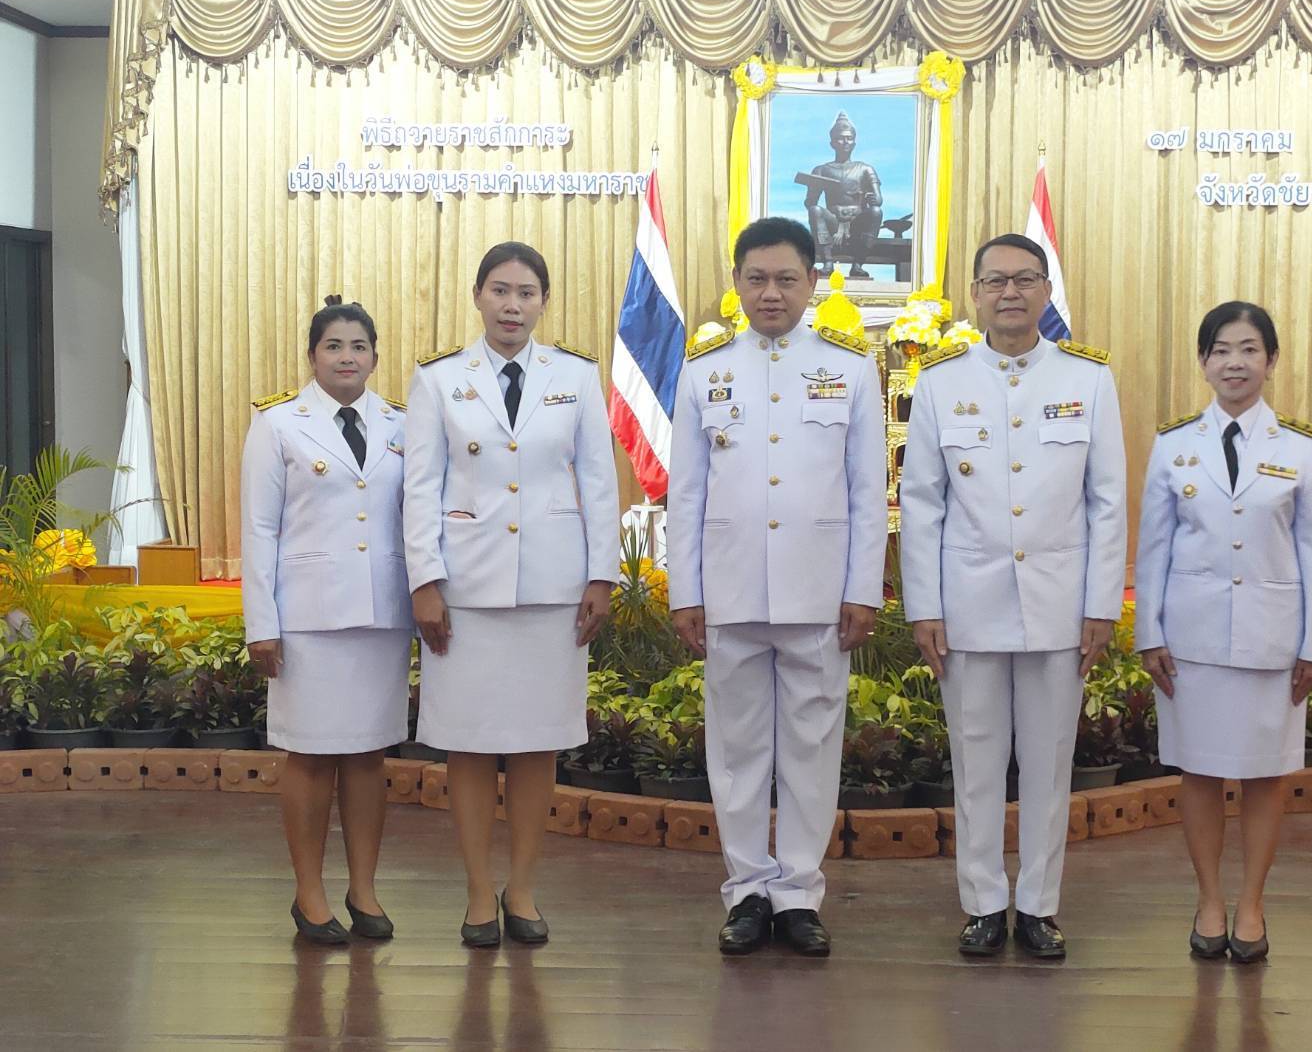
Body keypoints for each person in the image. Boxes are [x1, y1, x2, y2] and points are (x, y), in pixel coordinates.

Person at [900, 234, 1127, 959]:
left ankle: (1037, 905)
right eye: (995, 281)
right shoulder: (941, 382)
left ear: (1045, 291)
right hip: (967, 604)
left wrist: (1101, 604)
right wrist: (924, 606)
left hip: (1059, 604)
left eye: (1025, 279)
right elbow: (922, 502)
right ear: (974, 294)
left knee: (1049, 761)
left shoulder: (1087, 379)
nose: (1009, 293)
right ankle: (982, 903)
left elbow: (1107, 501)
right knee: (975, 760)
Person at [666, 216, 887, 957]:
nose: (771, 292)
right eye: (756, 278)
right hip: (729, 589)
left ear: (812, 283)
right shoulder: (704, 371)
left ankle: (797, 894)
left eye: (786, 279)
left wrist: (863, 589)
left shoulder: (850, 369)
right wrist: (685, 591)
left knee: (811, 749)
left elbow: (867, 490)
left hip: (817, 590)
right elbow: (686, 493)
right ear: (735, 283)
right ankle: (746, 892)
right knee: (735, 752)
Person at [402, 241, 619, 947]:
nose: (512, 305)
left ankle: (521, 889)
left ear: (544, 302)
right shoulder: (439, 378)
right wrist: (424, 581)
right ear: (478, 296)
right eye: (499, 290)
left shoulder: (576, 375)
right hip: (466, 591)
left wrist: (602, 574)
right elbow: (420, 488)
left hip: (554, 589)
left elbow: (598, 480)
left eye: (526, 293)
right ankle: (476, 893)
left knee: (536, 744)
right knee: (466, 747)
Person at [1134, 300, 1312, 964]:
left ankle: (1250, 903)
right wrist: (1148, 633)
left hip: (1272, 639)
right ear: (1202, 362)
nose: (1234, 363)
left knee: (1264, 775)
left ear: (1270, 361)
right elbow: (1153, 547)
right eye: (1220, 350)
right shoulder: (1174, 443)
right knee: (1197, 770)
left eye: (1249, 349)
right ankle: (1209, 901)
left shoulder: (1300, 445)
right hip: (1188, 642)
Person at [241, 296, 413, 945]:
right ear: (312, 356)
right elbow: (259, 529)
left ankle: (363, 888)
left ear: (375, 356)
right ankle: (308, 893)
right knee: (310, 756)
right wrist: (262, 623)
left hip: (380, 613)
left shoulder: (400, 423)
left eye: (358, 346)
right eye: (334, 346)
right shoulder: (279, 424)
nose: (347, 357)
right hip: (307, 619)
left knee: (368, 755)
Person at [800, 111, 883, 278]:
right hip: (833, 221)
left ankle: (858, 264)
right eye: (840, 138)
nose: (845, 142)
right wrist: (812, 189)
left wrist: (873, 199)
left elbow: (878, 200)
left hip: (857, 223)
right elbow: (810, 203)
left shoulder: (865, 169)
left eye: (849, 138)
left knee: (876, 212)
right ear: (832, 143)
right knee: (815, 210)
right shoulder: (821, 170)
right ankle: (828, 262)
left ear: (854, 142)